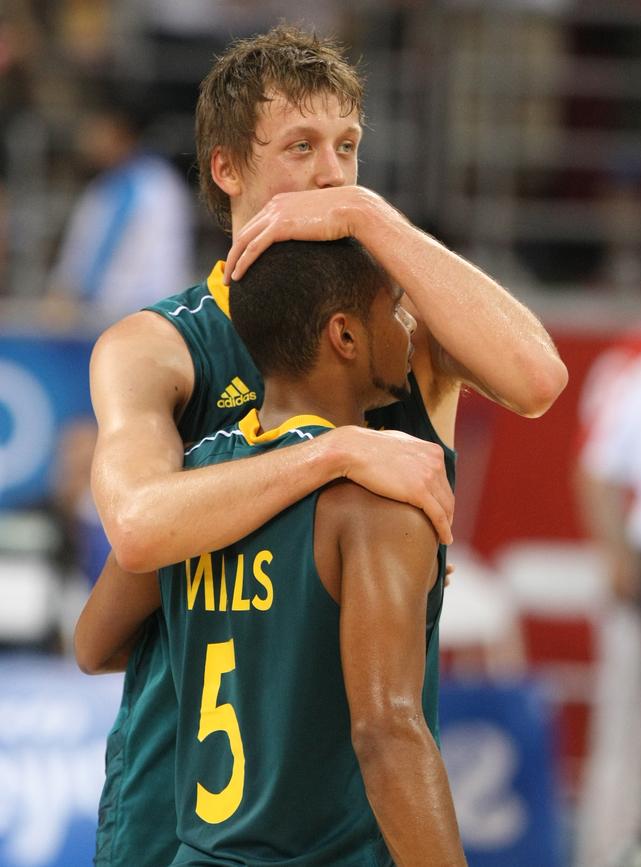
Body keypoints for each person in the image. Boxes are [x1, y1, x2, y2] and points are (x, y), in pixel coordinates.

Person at [75, 26, 567, 867]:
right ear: (227, 169)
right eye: (300, 147)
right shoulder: (157, 346)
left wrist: (369, 216)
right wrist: (335, 454)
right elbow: (138, 529)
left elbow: (537, 378)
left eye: (349, 148)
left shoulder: (398, 329)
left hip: (358, 815)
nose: (331, 173)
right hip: (183, 800)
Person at [85, 237, 469, 865]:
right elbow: (387, 735)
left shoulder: (193, 485)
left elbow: (93, 645)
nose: (409, 326)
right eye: (396, 308)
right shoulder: (378, 505)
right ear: (344, 336)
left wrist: (250, 632)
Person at [574, 325, 641, 867]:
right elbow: (595, 469)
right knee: (626, 728)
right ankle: (607, 853)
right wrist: (619, 558)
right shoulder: (636, 369)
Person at [45, 102, 194, 327]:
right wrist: (65, 290)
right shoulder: (103, 187)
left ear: (121, 134)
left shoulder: (156, 184)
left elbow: (162, 256)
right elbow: (84, 247)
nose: (90, 141)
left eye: (100, 132)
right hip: (97, 315)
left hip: (143, 311)